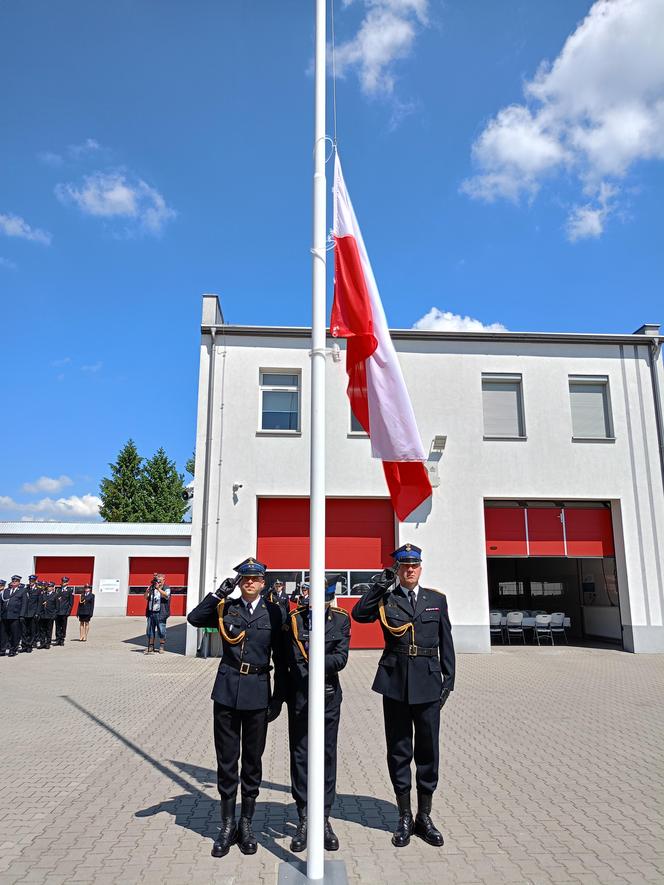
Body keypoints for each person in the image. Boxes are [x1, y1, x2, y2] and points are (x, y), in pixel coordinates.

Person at [352, 544, 455, 848]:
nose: (410, 570)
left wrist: (448, 681)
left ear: (420, 567)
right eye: (404, 566)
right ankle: (404, 816)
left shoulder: (436, 600)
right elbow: (359, 615)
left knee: (428, 751)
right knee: (398, 751)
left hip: (427, 682)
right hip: (395, 682)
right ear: (398, 569)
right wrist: (378, 586)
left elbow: (445, 641)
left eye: (414, 565)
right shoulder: (387, 599)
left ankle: (425, 816)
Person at [187, 558, 287, 859]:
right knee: (227, 761)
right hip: (228, 691)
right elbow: (194, 618)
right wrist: (218, 593)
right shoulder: (226, 608)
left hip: (258, 692)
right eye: (244, 578)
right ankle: (227, 824)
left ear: (263, 582)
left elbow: (281, 658)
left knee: (252, 762)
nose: (249, 583)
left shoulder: (274, 611)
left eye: (255, 579)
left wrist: (278, 697)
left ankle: (247, 824)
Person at [286, 579, 350, 853]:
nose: (317, 602)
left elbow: (341, 658)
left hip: (327, 696)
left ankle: (323, 819)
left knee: (326, 756)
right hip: (300, 696)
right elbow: (290, 658)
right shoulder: (295, 620)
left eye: (323, 598)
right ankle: (304, 818)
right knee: (301, 756)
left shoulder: (340, 620)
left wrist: (315, 660)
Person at [144, 573, 171, 654]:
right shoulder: (152, 588)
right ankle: (151, 646)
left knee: (161, 631)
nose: (158, 582)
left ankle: (161, 646)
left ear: (163, 580)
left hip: (161, 613)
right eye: (157, 580)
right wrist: (147, 592)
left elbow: (166, 596)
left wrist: (158, 589)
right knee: (150, 630)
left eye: (159, 581)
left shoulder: (166, 588)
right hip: (151, 612)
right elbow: (146, 597)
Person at [0, 575, 27, 657]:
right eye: (13, 581)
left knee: (15, 634)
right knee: (3, 634)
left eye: (16, 581)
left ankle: (13, 650)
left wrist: (22, 615)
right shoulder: (6, 591)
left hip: (15, 616)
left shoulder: (22, 591)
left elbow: (24, 604)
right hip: (5, 615)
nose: (14, 582)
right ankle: (2, 649)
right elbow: (1, 603)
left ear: (19, 582)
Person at [21, 575, 41, 653]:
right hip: (25, 613)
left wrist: (37, 613)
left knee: (32, 630)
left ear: (35, 581)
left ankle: (29, 645)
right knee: (24, 630)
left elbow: (39, 603)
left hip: (33, 613)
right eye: (30, 580)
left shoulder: (38, 590)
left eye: (32, 581)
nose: (31, 582)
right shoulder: (25, 589)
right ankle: (24, 645)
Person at [54, 576, 74, 646]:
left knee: (63, 626)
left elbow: (71, 603)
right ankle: (57, 639)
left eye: (65, 582)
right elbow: (56, 600)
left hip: (64, 612)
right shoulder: (58, 590)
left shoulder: (69, 591)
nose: (63, 583)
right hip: (57, 611)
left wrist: (68, 612)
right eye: (63, 581)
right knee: (57, 626)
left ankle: (62, 639)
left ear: (67, 583)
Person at [39, 582, 58, 649]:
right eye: (47, 587)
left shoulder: (55, 595)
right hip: (43, 615)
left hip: (50, 615)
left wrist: (54, 615)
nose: (48, 588)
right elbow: (40, 605)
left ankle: (48, 643)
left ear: (52, 588)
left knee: (49, 630)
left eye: (50, 587)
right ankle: (42, 643)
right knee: (42, 630)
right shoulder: (43, 595)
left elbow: (57, 607)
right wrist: (40, 614)